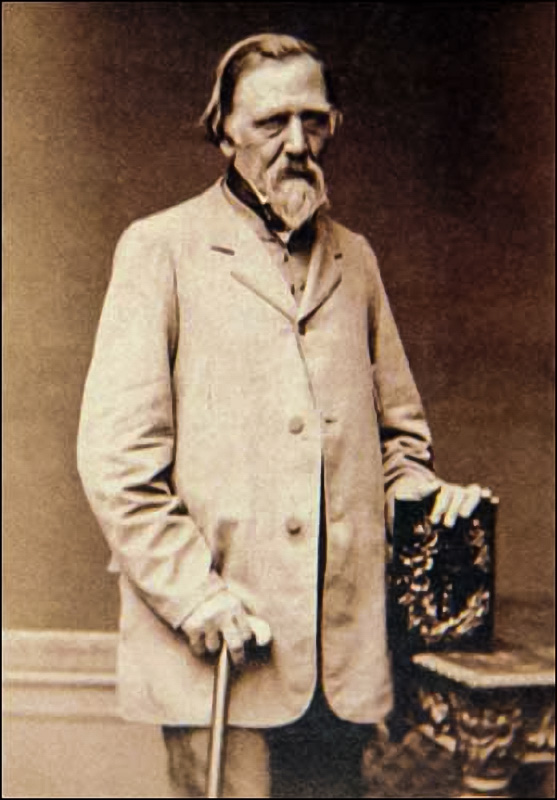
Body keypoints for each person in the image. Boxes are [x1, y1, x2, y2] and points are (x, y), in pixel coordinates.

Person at [77, 32, 487, 798]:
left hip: (341, 660)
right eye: (271, 122)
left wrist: (427, 500)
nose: (296, 143)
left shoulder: (356, 260)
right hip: (221, 650)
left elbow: (399, 443)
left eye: (313, 120)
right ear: (224, 130)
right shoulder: (160, 249)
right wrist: (193, 594)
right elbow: (116, 460)